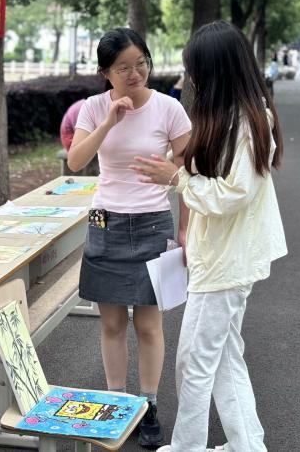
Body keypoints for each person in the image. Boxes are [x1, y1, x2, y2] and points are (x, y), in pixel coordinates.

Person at [132, 20, 287, 452]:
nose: (191, 79)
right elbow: (211, 179)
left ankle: (187, 447)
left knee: (194, 361)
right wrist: (174, 168)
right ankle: (247, 445)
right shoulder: (233, 115)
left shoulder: (247, 122)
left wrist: (178, 178)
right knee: (223, 359)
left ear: (216, 71)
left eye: (195, 69)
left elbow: (232, 195)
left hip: (227, 261)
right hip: (221, 255)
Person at [68, 27, 191, 448]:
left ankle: (149, 404)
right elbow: (76, 160)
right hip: (106, 222)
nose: (135, 74)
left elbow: (188, 173)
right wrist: (109, 121)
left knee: (150, 324)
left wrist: (184, 228)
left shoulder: (169, 109)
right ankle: (118, 402)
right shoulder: (92, 108)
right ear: (106, 73)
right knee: (112, 322)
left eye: (141, 64)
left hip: (153, 222)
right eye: (123, 68)